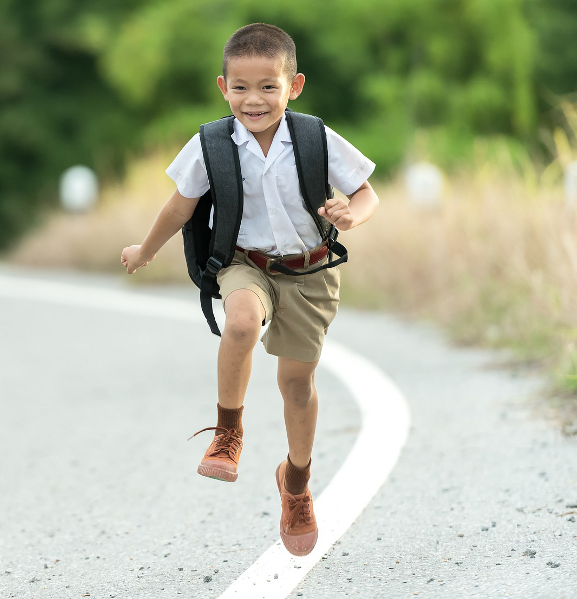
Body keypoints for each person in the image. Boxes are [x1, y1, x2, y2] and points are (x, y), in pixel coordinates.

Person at [120, 22, 378, 557]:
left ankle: (297, 483)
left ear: (294, 85)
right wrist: (145, 248)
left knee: (296, 387)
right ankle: (228, 433)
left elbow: (365, 192)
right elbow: (180, 205)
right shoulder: (211, 144)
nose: (253, 100)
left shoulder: (314, 138)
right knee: (239, 323)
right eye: (240, 87)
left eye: (268, 86)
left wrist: (351, 215)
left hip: (309, 272)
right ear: (223, 87)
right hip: (246, 264)